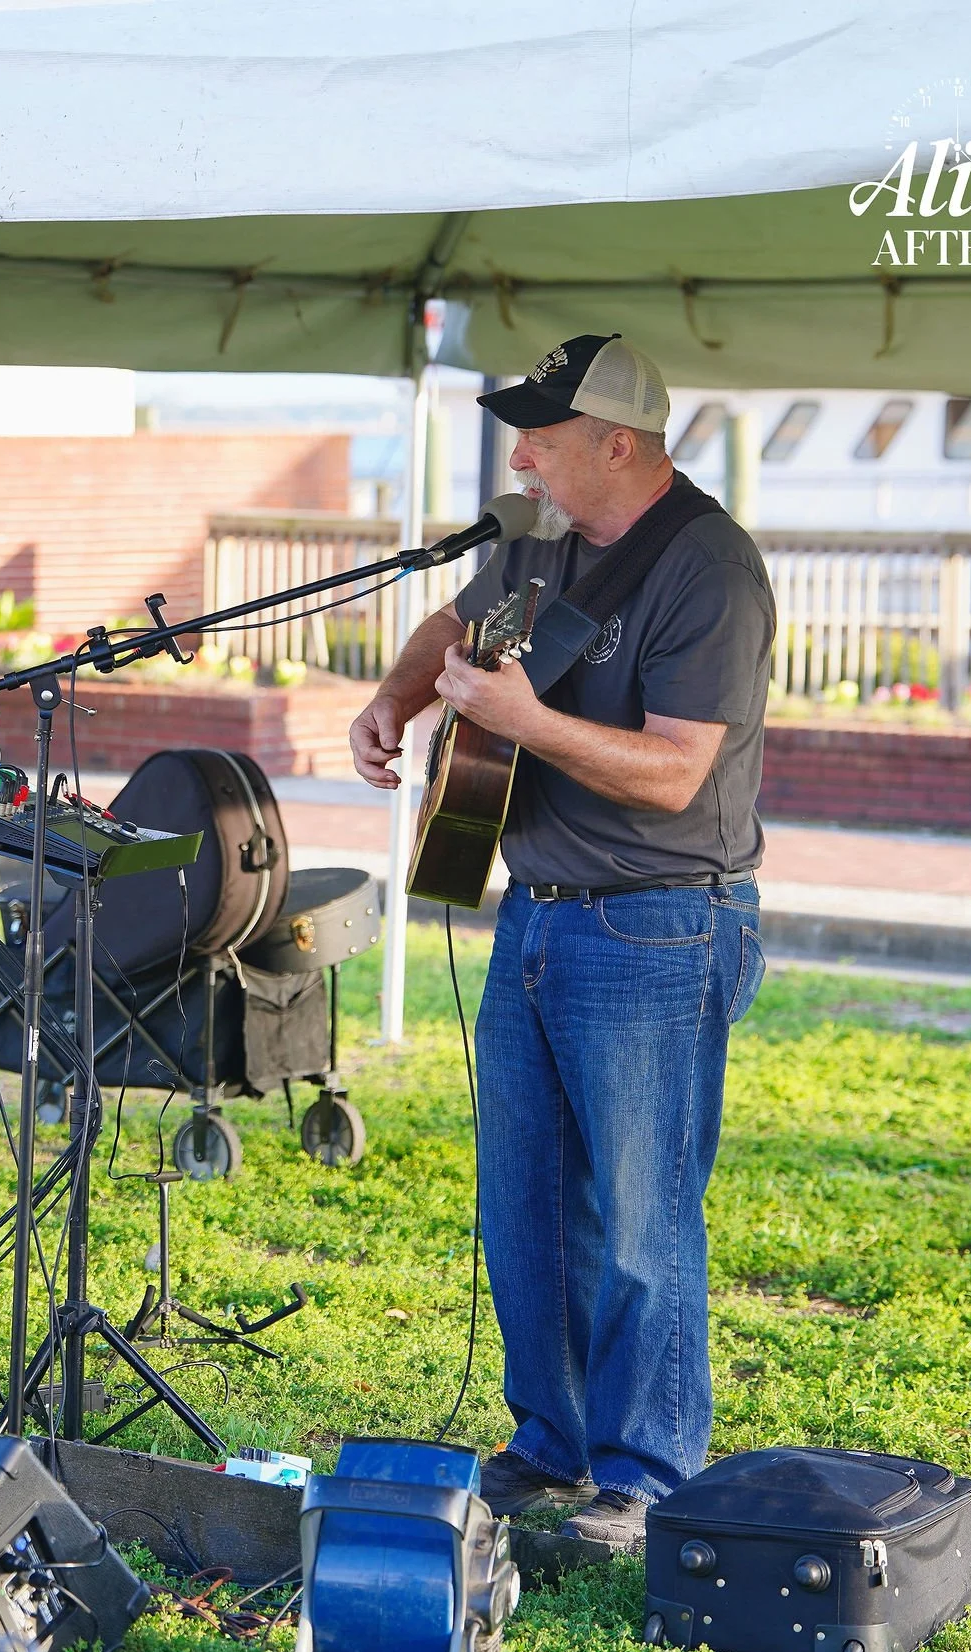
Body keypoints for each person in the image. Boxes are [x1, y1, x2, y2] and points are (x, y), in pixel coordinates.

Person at [350, 334, 774, 1553]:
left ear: (619, 445)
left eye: (541, 434)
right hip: (531, 912)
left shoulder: (706, 571)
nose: (519, 454)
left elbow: (677, 770)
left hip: (656, 922)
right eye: (516, 431)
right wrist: (396, 699)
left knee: (640, 1217)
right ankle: (548, 1443)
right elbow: (447, 621)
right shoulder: (533, 540)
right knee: (526, 1201)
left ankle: (640, 1479)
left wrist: (527, 720)